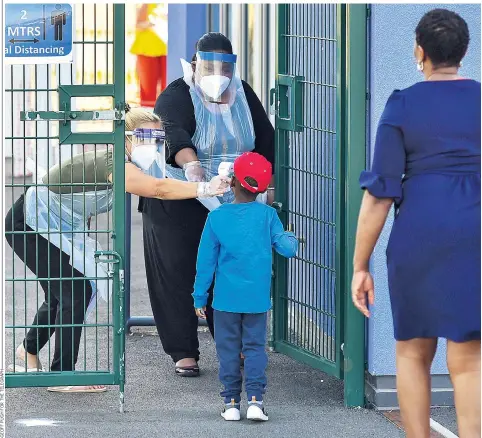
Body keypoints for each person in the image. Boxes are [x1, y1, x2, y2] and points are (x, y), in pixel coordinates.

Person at [5, 105, 228, 394]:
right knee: (76, 290)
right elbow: (158, 189)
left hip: (53, 225)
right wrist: (204, 189)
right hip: (29, 223)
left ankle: (28, 352)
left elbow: (167, 182)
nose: (154, 145)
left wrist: (212, 193)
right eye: (146, 137)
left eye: (159, 139)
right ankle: (62, 375)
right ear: (126, 137)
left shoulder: (131, 164)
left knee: (64, 291)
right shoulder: (117, 165)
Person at [351, 9, 480, 438]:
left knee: (411, 352)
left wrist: (360, 265)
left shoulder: (403, 103)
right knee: (469, 358)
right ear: (463, 52)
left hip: (419, 233)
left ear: (419, 51)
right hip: (473, 232)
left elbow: (379, 194)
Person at [140, 32, 275, 377]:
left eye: (223, 66)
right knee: (177, 271)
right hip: (178, 193)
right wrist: (192, 167)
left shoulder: (244, 94)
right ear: (195, 62)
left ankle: (233, 344)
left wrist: (264, 182)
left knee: (226, 270)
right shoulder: (176, 94)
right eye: (208, 65)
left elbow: (266, 139)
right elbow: (173, 132)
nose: (217, 72)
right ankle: (184, 352)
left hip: (230, 195)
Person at [192, 152, 298, 421]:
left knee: (227, 350)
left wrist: (199, 296)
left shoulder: (216, 217)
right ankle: (255, 401)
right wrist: (291, 236)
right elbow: (287, 249)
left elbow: (205, 262)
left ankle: (230, 403)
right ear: (262, 188)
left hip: (225, 300)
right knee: (254, 348)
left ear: (233, 182)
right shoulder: (268, 216)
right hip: (256, 299)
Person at [130, 4, 168, 108]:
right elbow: (138, 24)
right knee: (148, 90)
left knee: (168, 86)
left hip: (167, 49)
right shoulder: (146, 4)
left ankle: (166, 116)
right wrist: (151, 24)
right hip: (147, 49)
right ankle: (147, 117)